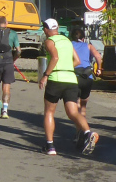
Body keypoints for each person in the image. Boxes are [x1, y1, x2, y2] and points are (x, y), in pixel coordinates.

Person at [39, 19, 99, 156]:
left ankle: (50, 146)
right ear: (57, 28)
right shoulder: (67, 41)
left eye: (44, 28)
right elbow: (77, 61)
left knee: (49, 112)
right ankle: (88, 132)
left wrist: (45, 75)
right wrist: (66, 68)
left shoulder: (49, 41)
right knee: (73, 112)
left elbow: (54, 58)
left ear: (46, 29)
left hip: (56, 79)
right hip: (71, 79)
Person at [70, 28, 103, 127]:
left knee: (76, 104)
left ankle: (78, 128)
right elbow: (98, 57)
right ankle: (82, 128)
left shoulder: (69, 45)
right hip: (87, 76)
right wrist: (99, 69)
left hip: (74, 76)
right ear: (83, 38)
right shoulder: (88, 46)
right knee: (83, 105)